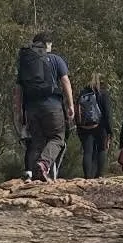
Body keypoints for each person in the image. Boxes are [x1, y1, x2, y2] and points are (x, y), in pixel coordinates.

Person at [13, 32, 74, 183]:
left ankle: (35, 176)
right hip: (52, 105)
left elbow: (18, 89)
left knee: (37, 141)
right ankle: (44, 164)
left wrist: (18, 111)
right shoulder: (55, 59)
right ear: (46, 45)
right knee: (57, 138)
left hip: (31, 109)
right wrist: (70, 104)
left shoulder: (26, 63)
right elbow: (65, 81)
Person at [74, 75, 113, 179]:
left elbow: (77, 112)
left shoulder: (82, 93)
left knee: (87, 152)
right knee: (101, 149)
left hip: (85, 127)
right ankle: (99, 175)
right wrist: (110, 131)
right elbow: (107, 114)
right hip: (100, 127)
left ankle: (87, 176)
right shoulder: (103, 93)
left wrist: (79, 127)